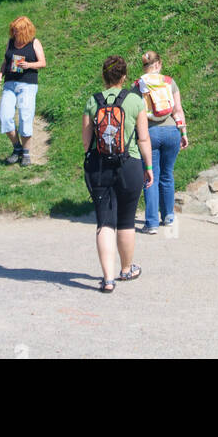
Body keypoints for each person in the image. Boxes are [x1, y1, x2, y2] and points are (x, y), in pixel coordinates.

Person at [82, 55, 153, 292]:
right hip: (129, 164)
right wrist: (149, 167)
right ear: (124, 77)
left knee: (104, 221)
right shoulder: (134, 101)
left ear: (104, 76)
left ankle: (108, 278)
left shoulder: (93, 101)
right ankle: (126, 269)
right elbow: (143, 138)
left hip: (100, 167)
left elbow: (86, 141)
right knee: (126, 220)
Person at [136, 50, 188, 232]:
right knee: (167, 174)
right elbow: (178, 110)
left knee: (151, 176)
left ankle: (151, 223)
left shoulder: (138, 85)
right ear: (158, 64)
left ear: (144, 65)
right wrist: (183, 132)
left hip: (149, 133)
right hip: (171, 131)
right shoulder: (169, 82)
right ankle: (169, 217)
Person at [0, 16, 46, 166]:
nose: (15, 33)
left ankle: (26, 153)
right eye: (14, 30)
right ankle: (17, 147)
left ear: (25, 30)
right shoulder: (11, 42)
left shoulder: (34, 43)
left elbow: (42, 63)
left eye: (17, 30)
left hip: (27, 84)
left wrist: (29, 65)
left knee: (25, 117)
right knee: (4, 116)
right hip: (10, 84)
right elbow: (6, 61)